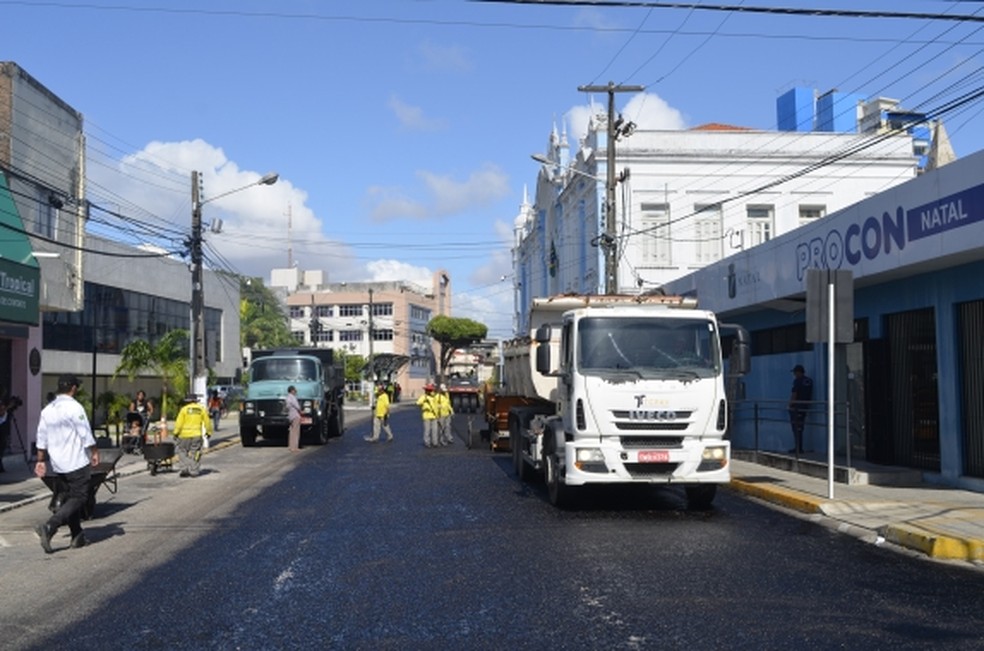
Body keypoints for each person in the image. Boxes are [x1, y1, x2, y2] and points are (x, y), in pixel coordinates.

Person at [33, 374, 99, 553]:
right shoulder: (74, 407)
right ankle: (50, 526)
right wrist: (94, 451)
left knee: (70, 499)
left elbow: (41, 437)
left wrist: (40, 460)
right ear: (73, 388)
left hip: (58, 464)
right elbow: (84, 432)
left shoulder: (48, 409)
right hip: (76, 461)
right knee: (80, 497)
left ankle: (77, 536)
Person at [173, 394, 212, 477]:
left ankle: (184, 469)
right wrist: (208, 432)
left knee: (182, 451)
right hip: (196, 435)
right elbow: (207, 422)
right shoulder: (201, 409)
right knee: (196, 452)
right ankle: (194, 471)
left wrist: (176, 433)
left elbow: (179, 423)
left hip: (184, 435)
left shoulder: (183, 409)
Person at [788, 364, 814, 455]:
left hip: (797, 407)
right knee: (800, 428)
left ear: (799, 372)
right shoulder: (809, 381)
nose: (794, 374)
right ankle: (799, 447)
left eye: (795, 372)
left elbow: (794, 393)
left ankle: (798, 448)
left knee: (796, 428)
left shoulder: (798, 381)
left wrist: (790, 404)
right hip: (805, 407)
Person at [416, 383, 440, 448]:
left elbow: (436, 406)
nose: (429, 391)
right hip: (426, 416)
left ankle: (435, 442)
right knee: (427, 430)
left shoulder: (434, 397)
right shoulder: (424, 397)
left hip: (434, 415)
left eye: (430, 390)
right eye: (428, 390)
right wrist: (424, 403)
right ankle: (427, 442)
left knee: (435, 430)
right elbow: (418, 403)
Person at [285, 385, 302, 452]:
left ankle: (291, 446)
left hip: (291, 415)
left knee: (291, 431)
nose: (295, 391)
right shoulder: (293, 398)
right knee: (296, 431)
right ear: (292, 391)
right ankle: (295, 447)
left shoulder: (287, 398)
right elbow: (297, 406)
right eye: (295, 390)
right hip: (296, 415)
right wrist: (301, 410)